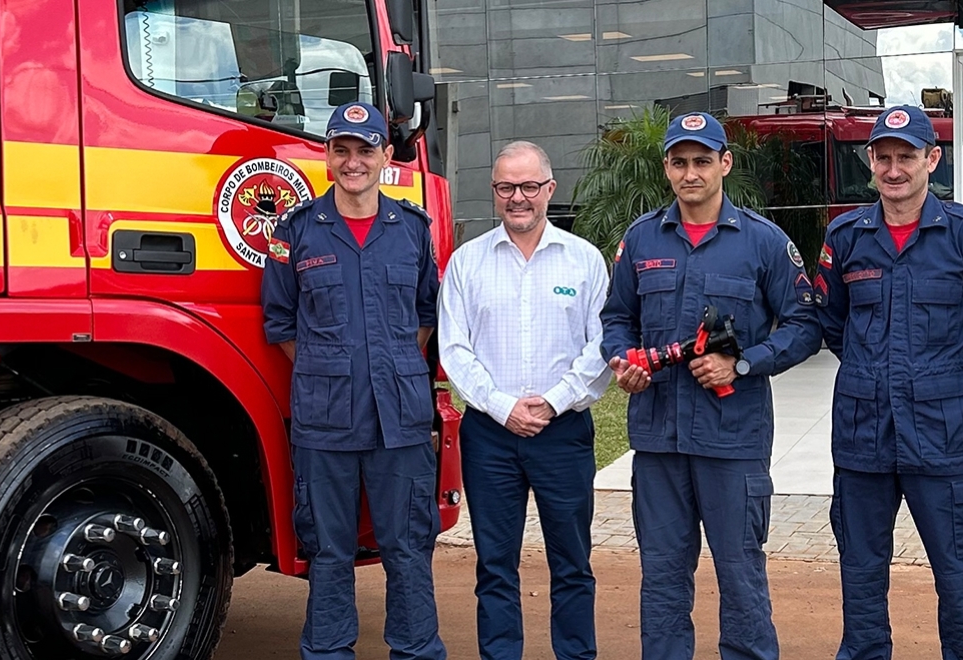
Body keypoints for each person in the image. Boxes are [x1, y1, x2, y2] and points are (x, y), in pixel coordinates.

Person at [600, 111, 821, 660]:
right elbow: (616, 318)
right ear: (667, 168)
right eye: (679, 162)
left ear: (725, 163)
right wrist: (623, 361)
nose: (690, 173)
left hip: (733, 442)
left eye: (702, 161)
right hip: (658, 442)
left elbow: (805, 325)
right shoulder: (642, 238)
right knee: (663, 580)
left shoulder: (764, 243)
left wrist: (743, 364)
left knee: (741, 577)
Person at [816, 105, 963, 660]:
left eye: (906, 156)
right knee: (861, 572)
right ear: (870, 163)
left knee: (960, 571)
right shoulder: (846, 237)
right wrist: (871, 369)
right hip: (863, 437)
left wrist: (962, 371)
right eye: (883, 157)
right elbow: (831, 322)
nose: (894, 169)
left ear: (931, 159)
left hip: (945, 437)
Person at [261, 101, 444, 660]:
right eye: (342, 150)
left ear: (386, 157)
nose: (353, 161)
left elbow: (425, 315)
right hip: (325, 421)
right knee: (330, 551)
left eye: (365, 150)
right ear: (327, 156)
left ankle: (416, 651)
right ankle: (328, 651)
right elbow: (280, 321)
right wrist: (330, 368)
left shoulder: (412, 229)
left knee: (408, 547)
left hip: (400, 419)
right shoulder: (295, 233)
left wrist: (386, 366)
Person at [438, 141, 612, 660]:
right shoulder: (467, 263)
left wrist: (554, 403)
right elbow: (454, 348)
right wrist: (502, 406)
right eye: (507, 188)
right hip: (490, 436)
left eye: (529, 187)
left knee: (573, 562)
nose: (519, 198)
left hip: (563, 435)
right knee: (494, 565)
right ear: (494, 193)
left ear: (549, 190)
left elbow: (601, 347)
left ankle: (576, 654)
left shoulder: (584, 261)